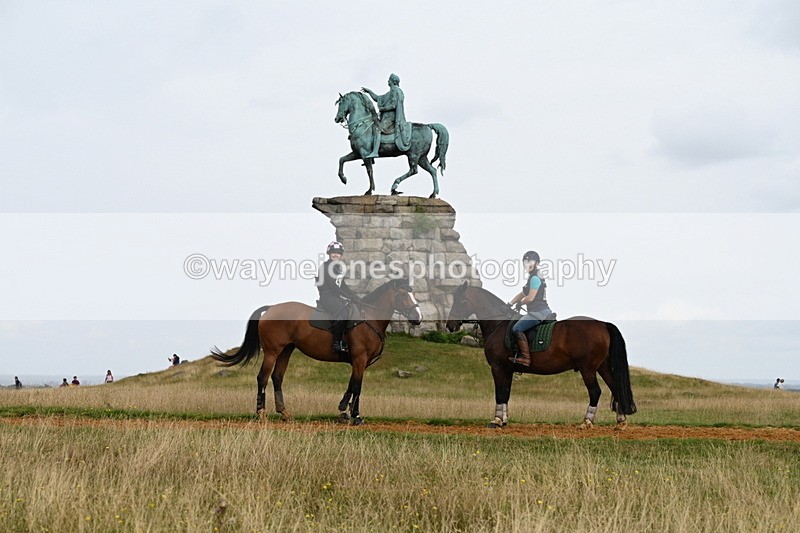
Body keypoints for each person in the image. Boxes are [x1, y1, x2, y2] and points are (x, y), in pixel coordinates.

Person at [507, 251, 554, 367]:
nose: (527, 264)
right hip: (539, 311)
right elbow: (523, 293)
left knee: (517, 328)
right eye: (525, 262)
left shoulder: (535, 278)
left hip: (539, 312)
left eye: (530, 262)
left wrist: (520, 304)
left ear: (536, 263)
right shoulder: (533, 277)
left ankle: (525, 358)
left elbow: (530, 298)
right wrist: (510, 303)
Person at [316, 241, 361, 353]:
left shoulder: (338, 268)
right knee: (343, 314)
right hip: (327, 296)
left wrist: (353, 295)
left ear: (341, 255)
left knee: (351, 310)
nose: (335, 255)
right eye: (333, 253)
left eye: (338, 253)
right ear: (329, 253)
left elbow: (342, 285)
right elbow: (333, 286)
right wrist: (346, 296)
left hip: (335, 296)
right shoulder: (326, 267)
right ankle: (336, 343)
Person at [361, 73, 412, 158]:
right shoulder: (390, 92)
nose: (387, 81)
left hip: (391, 118)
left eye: (389, 79)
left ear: (392, 81)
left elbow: (394, 105)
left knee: (377, 129)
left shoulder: (396, 91)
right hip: (386, 117)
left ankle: (375, 152)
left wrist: (382, 109)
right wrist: (369, 91)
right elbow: (377, 98)